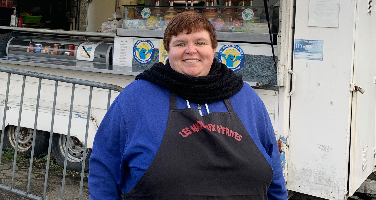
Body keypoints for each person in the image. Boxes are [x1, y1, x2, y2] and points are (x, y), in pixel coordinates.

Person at [88, 12, 287, 199]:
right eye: (180, 43)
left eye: (200, 42)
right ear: (167, 50)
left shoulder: (245, 96)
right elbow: (104, 166)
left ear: (213, 48)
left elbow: (273, 169)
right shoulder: (135, 98)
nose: (191, 50)